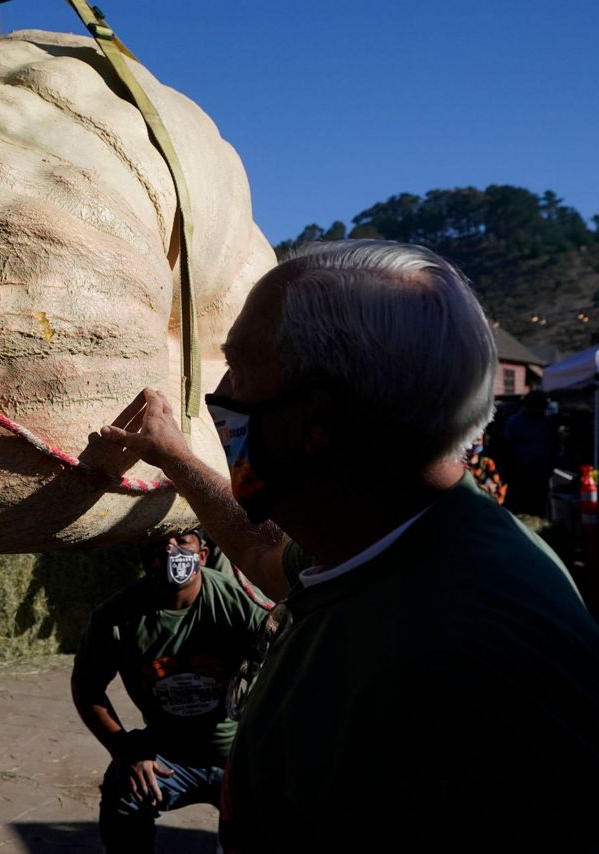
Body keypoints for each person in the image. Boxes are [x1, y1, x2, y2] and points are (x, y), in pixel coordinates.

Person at [99, 240, 599, 850]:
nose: (221, 394)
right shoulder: (390, 533)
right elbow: (259, 554)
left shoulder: (452, 658)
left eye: (240, 369)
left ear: (315, 421)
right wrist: (173, 455)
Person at [72, 530, 265, 853]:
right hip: (168, 755)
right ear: (144, 557)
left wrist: (267, 753)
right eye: (159, 543)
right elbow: (87, 687)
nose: (171, 549)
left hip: (240, 754)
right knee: (124, 791)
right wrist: (125, 749)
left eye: (182, 542)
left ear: (202, 555)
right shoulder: (117, 616)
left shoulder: (243, 602)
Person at [502, 388, 555, 515]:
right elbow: (506, 449)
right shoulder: (514, 423)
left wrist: (550, 468)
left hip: (541, 476)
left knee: (539, 509)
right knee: (520, 510)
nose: (541, 410)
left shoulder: (546, 422)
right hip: (520, 477)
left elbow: (552, 446)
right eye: (539, 406)